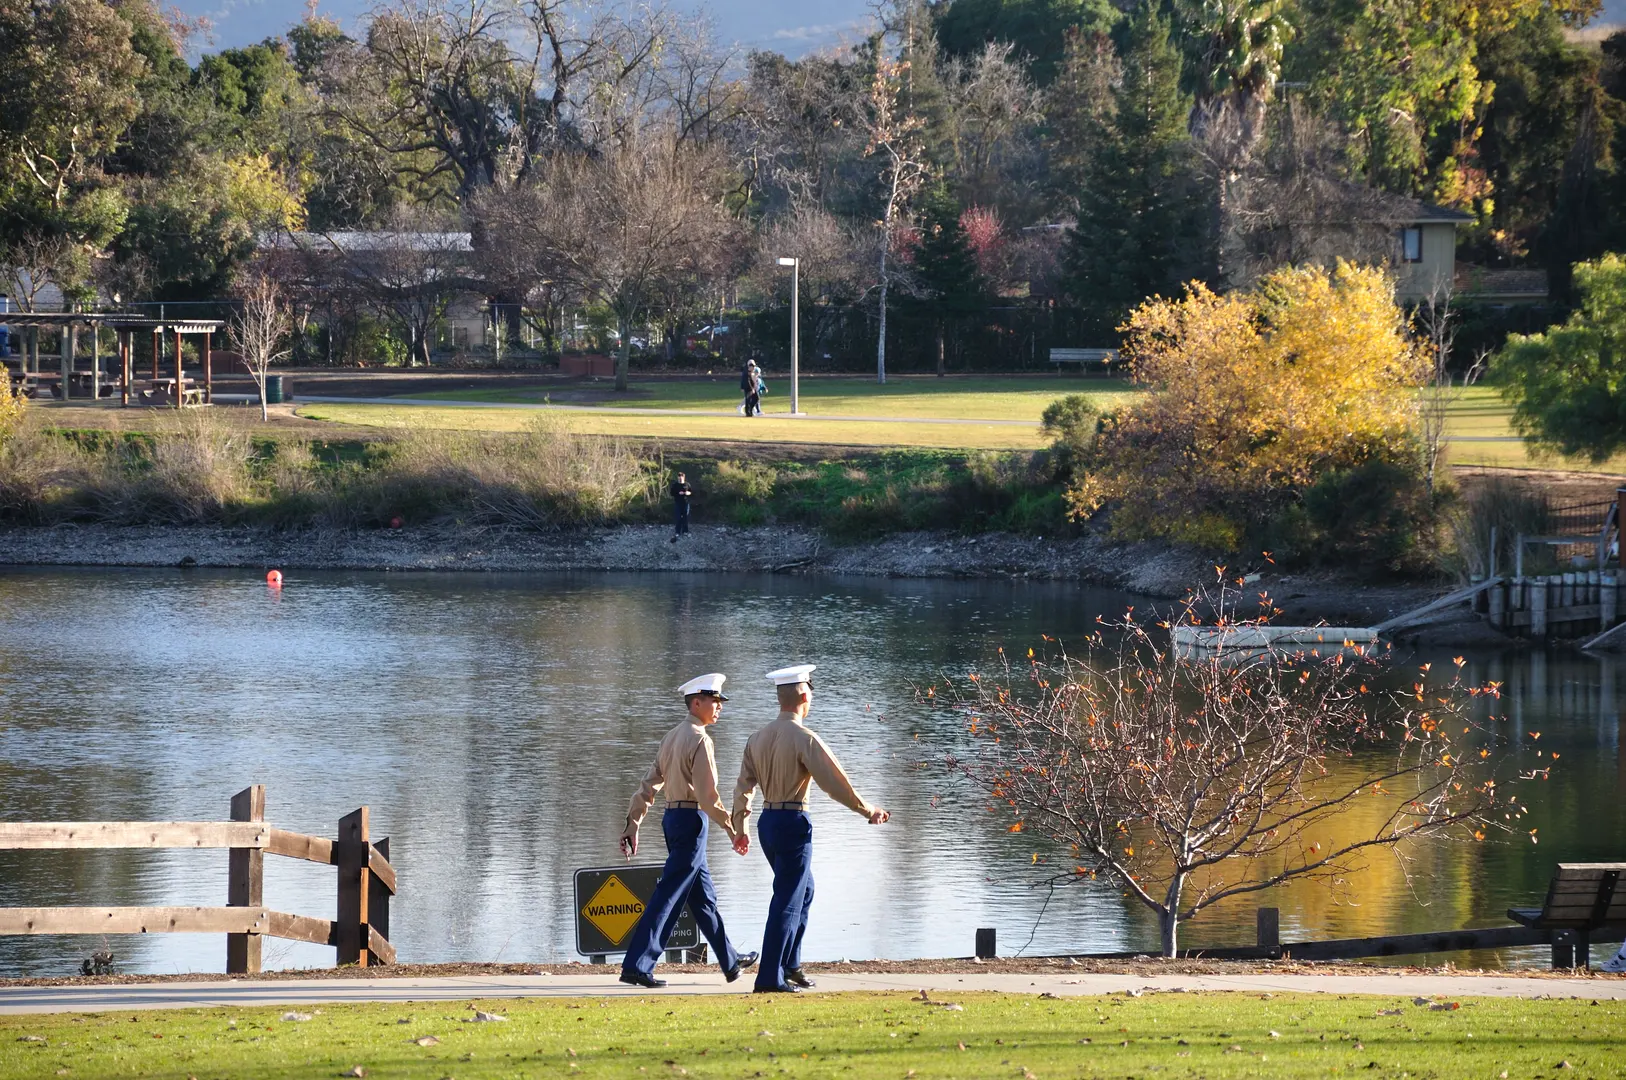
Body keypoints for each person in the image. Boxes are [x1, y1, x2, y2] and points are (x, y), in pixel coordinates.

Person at [731, 663, 888, 993]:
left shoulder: (756, 738)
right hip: (792, 823)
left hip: (766, 823)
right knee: (787, 899)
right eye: (811, 690)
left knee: (804, 890)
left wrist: (740, 826)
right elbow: (835, 784)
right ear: (804, 694)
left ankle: (790, 966)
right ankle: (769, 979)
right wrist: (867, 810)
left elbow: (743, 787)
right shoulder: (805, 738)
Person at [618, 673, 758, 989]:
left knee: (703, 899)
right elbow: (708, 798)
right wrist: (733, 828)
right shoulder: (700, 740)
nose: (719, 707)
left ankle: (730, 961)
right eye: (715, 701)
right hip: (693, 822)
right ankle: (637, 965)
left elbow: (648, 786)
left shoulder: (670, 737)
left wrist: (633, 824)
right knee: (668, 895)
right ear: (697, 703)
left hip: (673, 820)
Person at [669, 471, 692, 542]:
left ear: (683, 477)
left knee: (685, 517)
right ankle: (677, 531)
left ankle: (685, 531)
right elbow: (671, 493)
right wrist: (678, 493)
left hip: (686, 503)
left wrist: (687, 493)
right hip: (678, 503)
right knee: (678, 517)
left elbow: (690, 492)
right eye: (679, 477)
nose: (680, 478)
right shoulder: (675, 485)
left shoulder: (687, 484)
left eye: (681, 477)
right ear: (678, 477)